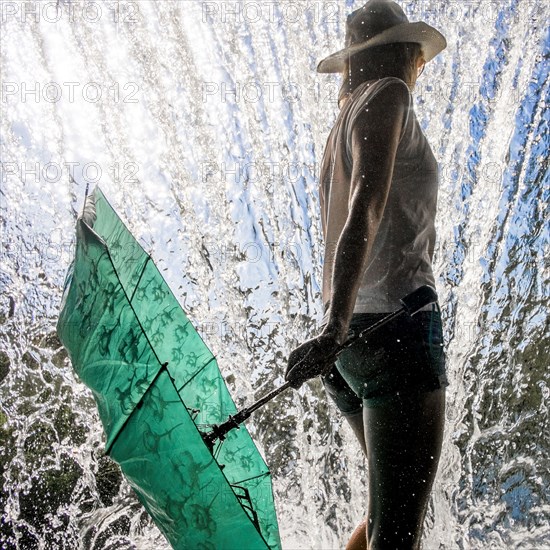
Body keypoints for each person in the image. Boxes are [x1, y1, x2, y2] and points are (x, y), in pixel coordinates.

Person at [285, 1, 449, 549]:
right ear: (401, 52)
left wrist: (336, 329)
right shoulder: (390, 96)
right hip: (394, 332)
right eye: (414, 54)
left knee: (386, 517)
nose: (419, 67)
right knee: (398, 535)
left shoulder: (344, 120)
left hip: (354, 346)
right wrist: (334, 326)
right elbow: (365, 205)